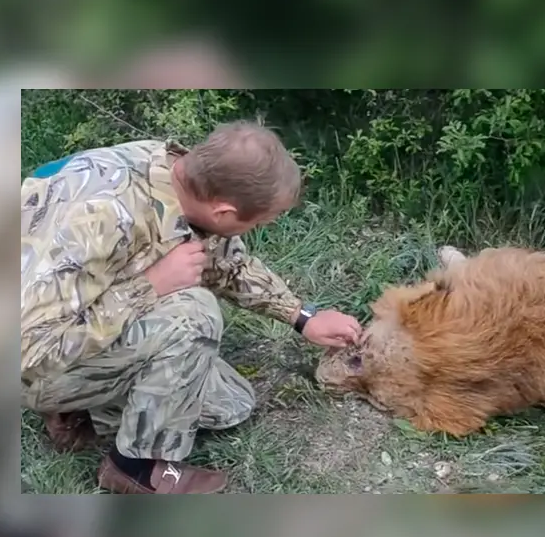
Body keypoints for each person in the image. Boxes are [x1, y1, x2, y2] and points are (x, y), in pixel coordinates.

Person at [20, 120, 362, 494]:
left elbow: (226, 264)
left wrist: (302, 316)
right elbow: (30, 349)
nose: (258, 229)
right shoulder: (102, 217)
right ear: (224, 212)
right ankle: (134, 469)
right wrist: (150, 286)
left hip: (80, 324)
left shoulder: (180, 175)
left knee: (228, 404)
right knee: (194, 315)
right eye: (259, 222)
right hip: (27, 364)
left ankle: (79, 412)